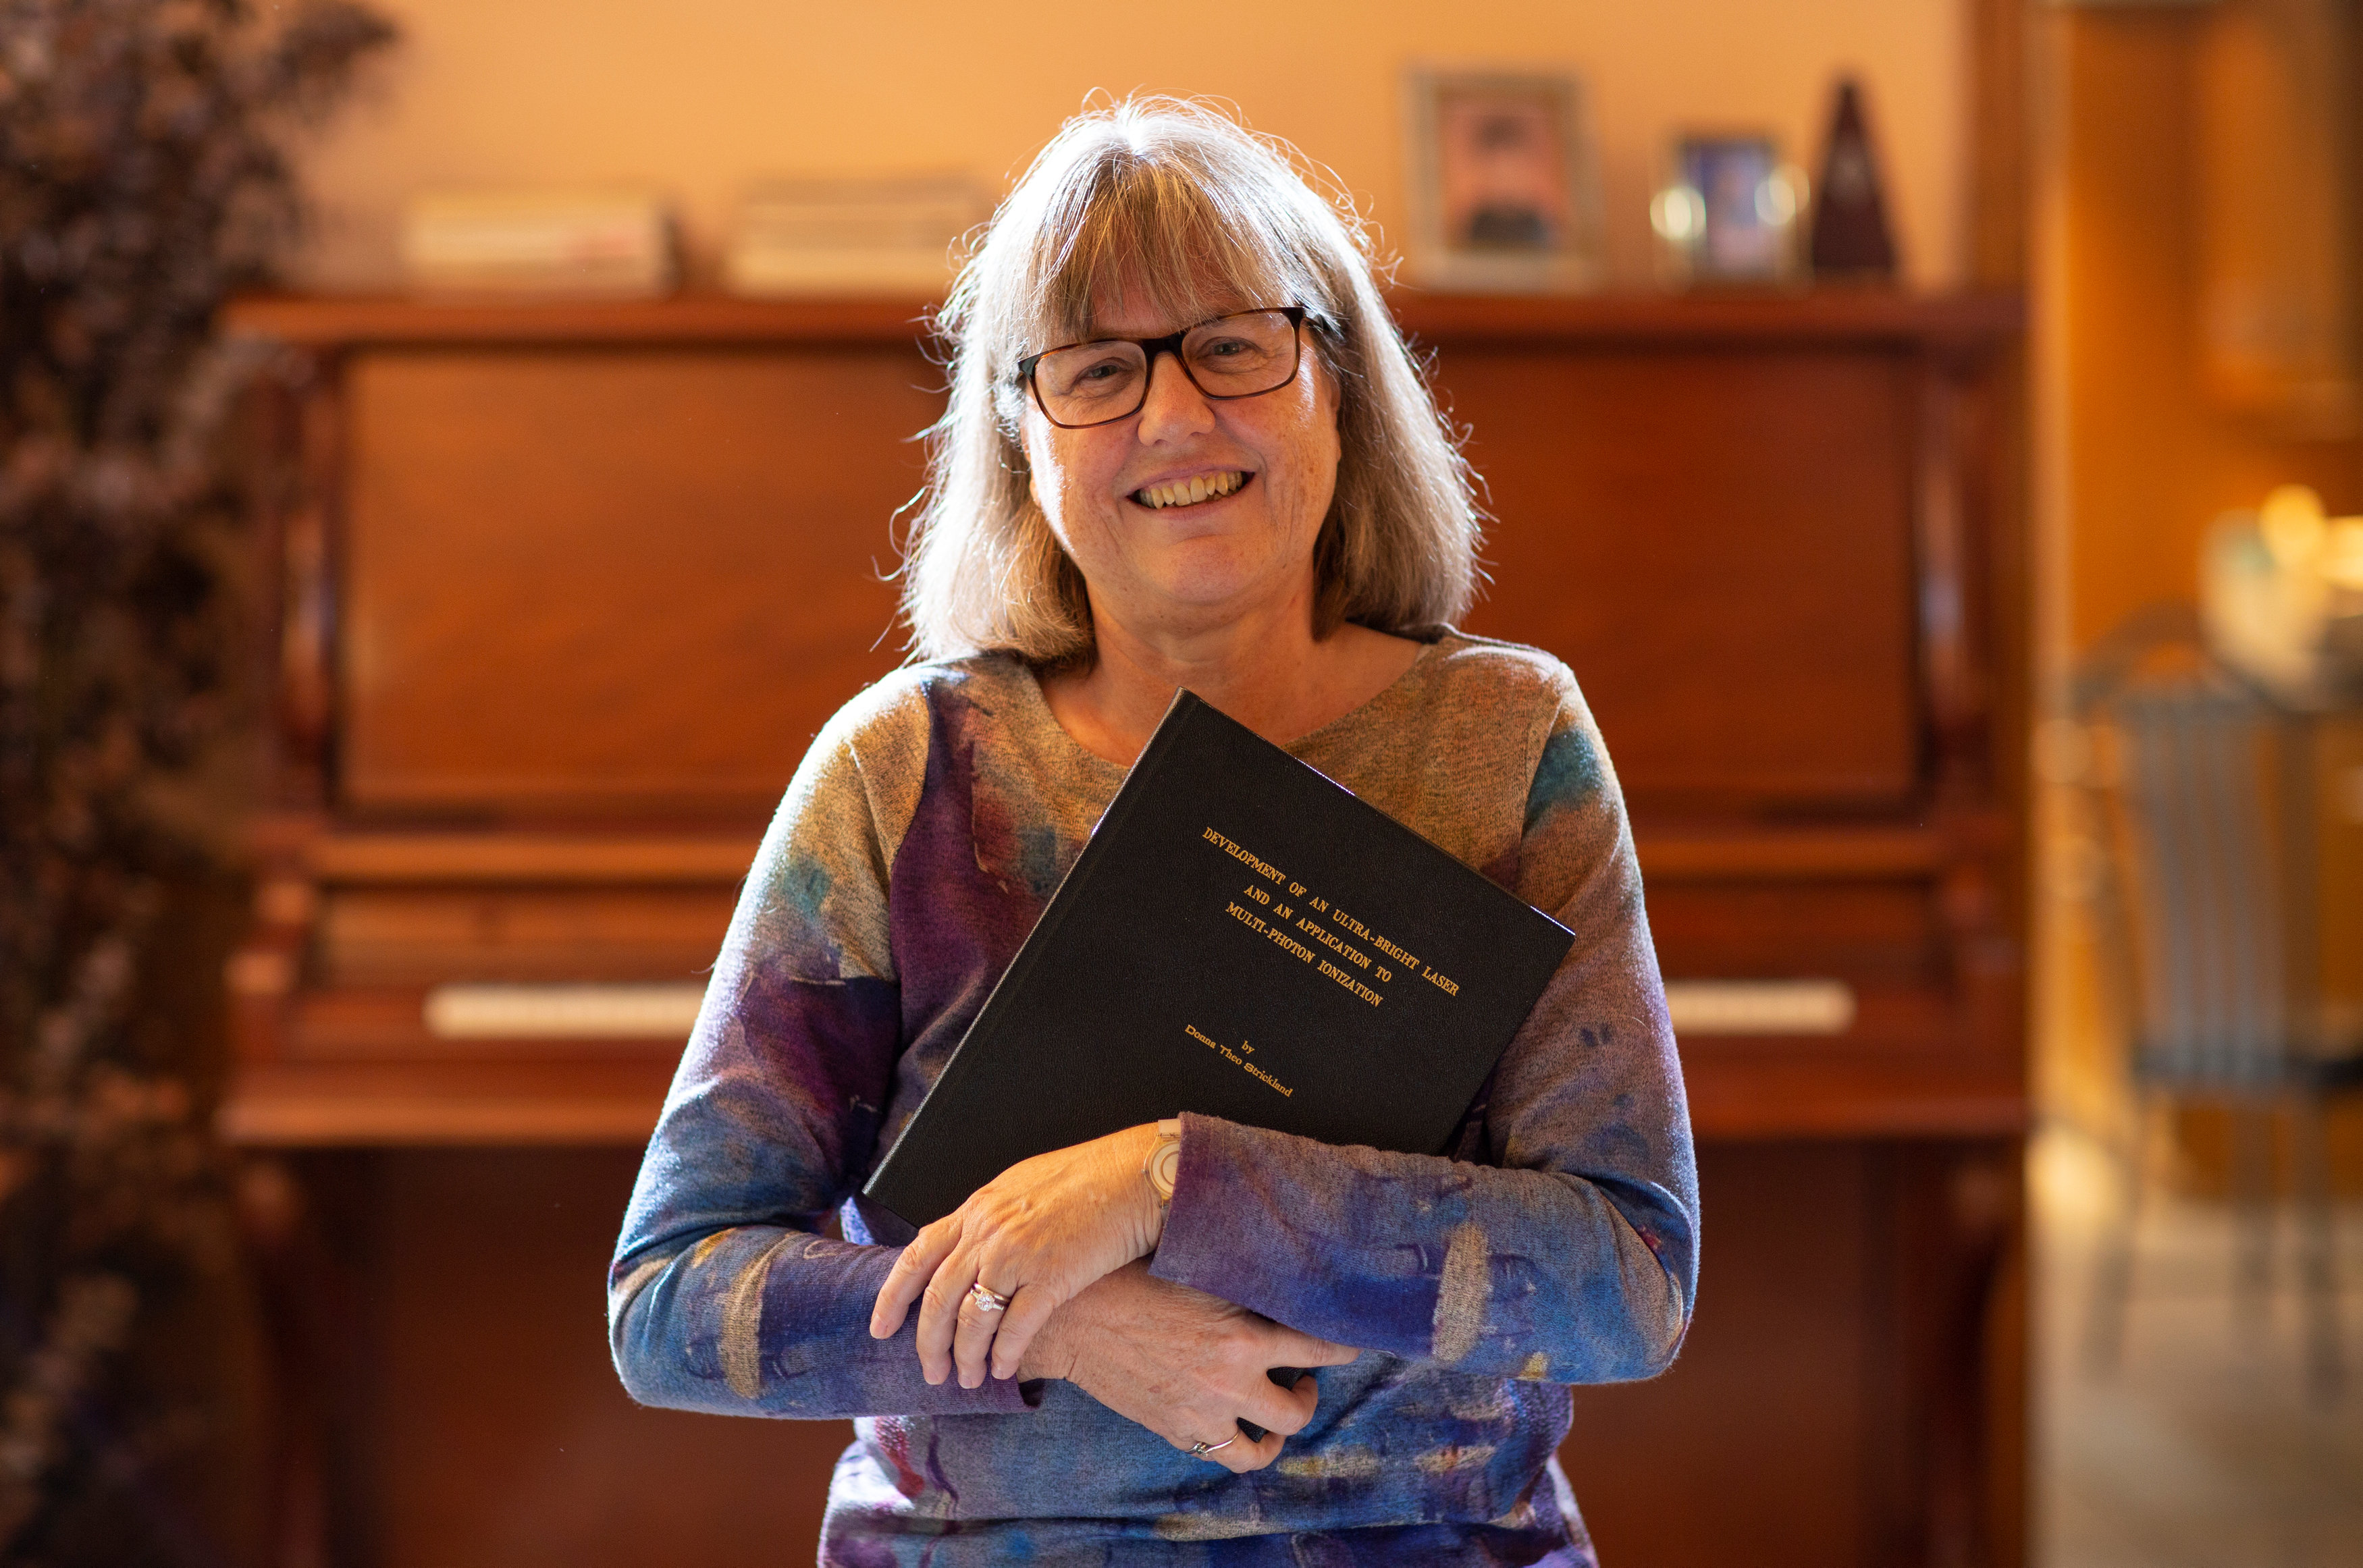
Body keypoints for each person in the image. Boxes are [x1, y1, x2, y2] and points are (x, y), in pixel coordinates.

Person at [610, 96, 1697, 1567]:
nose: (1174, 418)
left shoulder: (1505, 740)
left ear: (1339, 384)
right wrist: (1049, 1312)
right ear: (1022, 440)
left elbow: (1628, 1283)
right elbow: (669, 1298)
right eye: (1097, 370)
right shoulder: (902, 770)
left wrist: (1171, 1182)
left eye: (1235, 345)